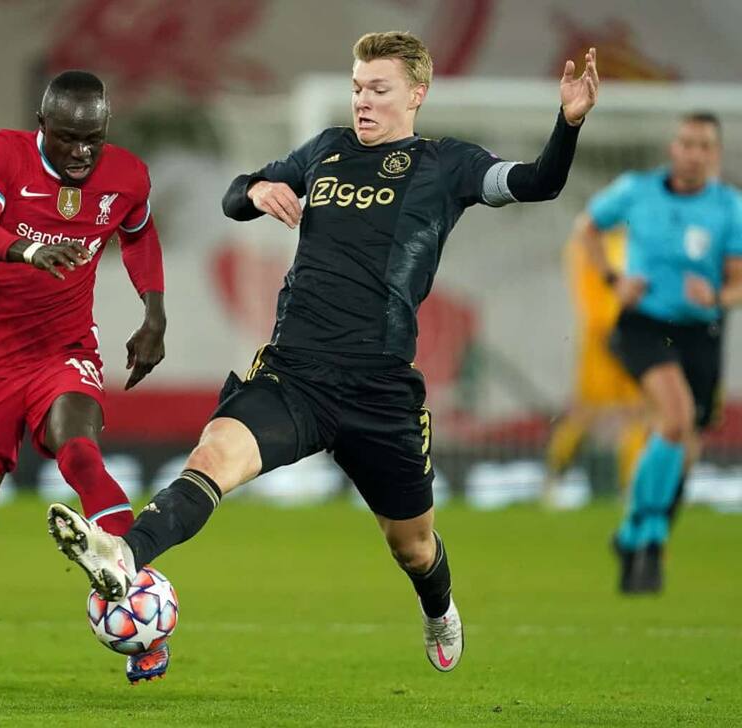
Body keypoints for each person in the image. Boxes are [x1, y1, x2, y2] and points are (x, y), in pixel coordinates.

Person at [48, 31, 598, 673]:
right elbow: (236, 192)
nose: (363, 101)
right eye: (358, 87)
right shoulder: (327, 150)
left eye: (379, 90)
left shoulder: (449, 165)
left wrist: (568, 122)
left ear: (417, 94)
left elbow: (538, 183)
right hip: (294, 374)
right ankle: (125, 555)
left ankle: (439, 606)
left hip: (381, 390)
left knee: (412, 547)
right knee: (212, 457)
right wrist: (255, 192)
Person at [0, 70, 168, 702]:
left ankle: (139, 608)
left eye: (93, 138)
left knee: (77, 447)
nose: (81, 152)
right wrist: (25, 251)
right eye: (69, 137)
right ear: (42, 126)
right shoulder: (3, 151)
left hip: (65, 349)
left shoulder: (127, 175)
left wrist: (154, 315)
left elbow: (138, 233)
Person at [579, 111, 742, 593]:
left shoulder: (728, 207)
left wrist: (717, 297)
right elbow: (586, 228)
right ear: (673, 147)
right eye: (686, 142)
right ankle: (648, 534)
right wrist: (613, 279)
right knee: (675, 417)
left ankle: (633, 534)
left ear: (716, 155)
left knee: (684, 446)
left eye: (704, 146)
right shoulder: (636, 190)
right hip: (643, 325)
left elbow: (737, 282)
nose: (693, 153)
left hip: (701, 333)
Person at [542, 228, 648, 506]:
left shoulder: (624, 242)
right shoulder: (592, 244)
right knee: (591, 411)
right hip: (604, 337)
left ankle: (632, 488)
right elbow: (592, 292)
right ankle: (555, 476)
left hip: (626, 333)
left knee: (635, 410)